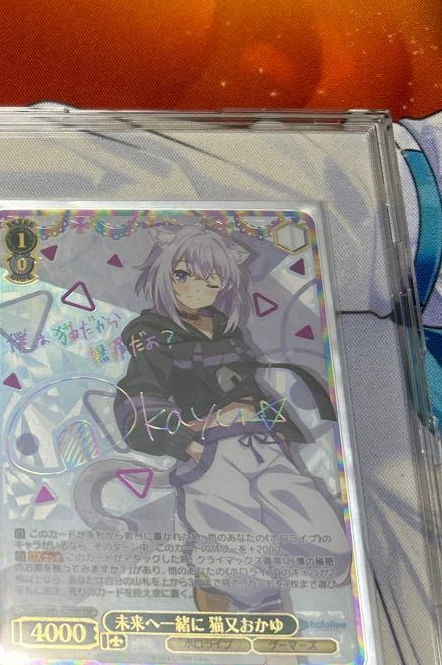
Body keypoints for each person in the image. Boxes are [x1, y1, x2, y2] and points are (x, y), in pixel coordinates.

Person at [114, 222, 350, 612]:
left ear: (223, 283)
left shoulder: (228, 330)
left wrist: (274, 427)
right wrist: (187, 444)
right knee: (233, 537)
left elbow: (250, 385)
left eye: (211, 280)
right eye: (183, 276)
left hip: (257, 438)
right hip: (207, 447)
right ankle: (254, 604)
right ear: (165, 274)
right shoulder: (153, 335)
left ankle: (331, 587)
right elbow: (139, 395)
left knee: (323, 535)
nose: (196, 289)